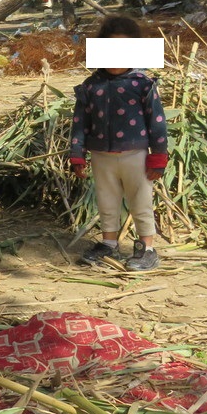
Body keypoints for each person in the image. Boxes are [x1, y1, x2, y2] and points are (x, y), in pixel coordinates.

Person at [69, 15, 168, 271]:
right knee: (106, 201)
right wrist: (77, 154)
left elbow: (157, 121)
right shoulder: (91, 86)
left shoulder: (143, 84)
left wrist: (159, 155)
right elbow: (79, 122)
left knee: (141, 200)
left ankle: (147, 248)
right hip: (101, 155)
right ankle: (108, 244)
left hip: (135, 155)